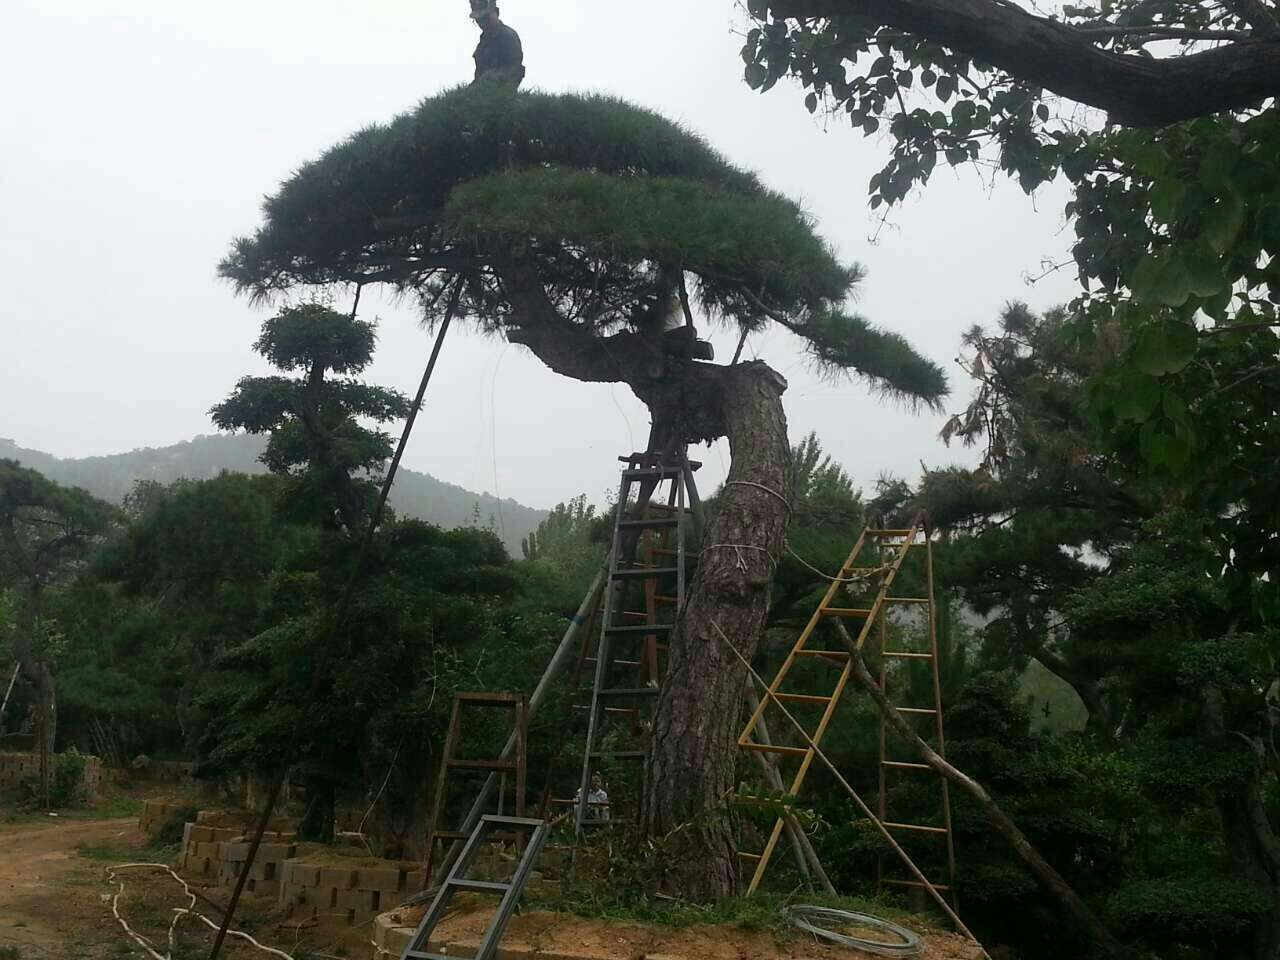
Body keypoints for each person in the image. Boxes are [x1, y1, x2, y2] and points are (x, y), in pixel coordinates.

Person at [469, 1, 525, 89]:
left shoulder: (508, 36)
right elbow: (479, 75)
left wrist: (492, 77)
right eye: (478, 20)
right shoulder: (484, 41)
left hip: (502, 95)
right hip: (483, 94)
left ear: (496, 13)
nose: (482, 23)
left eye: (486, 18)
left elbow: (514, 70)